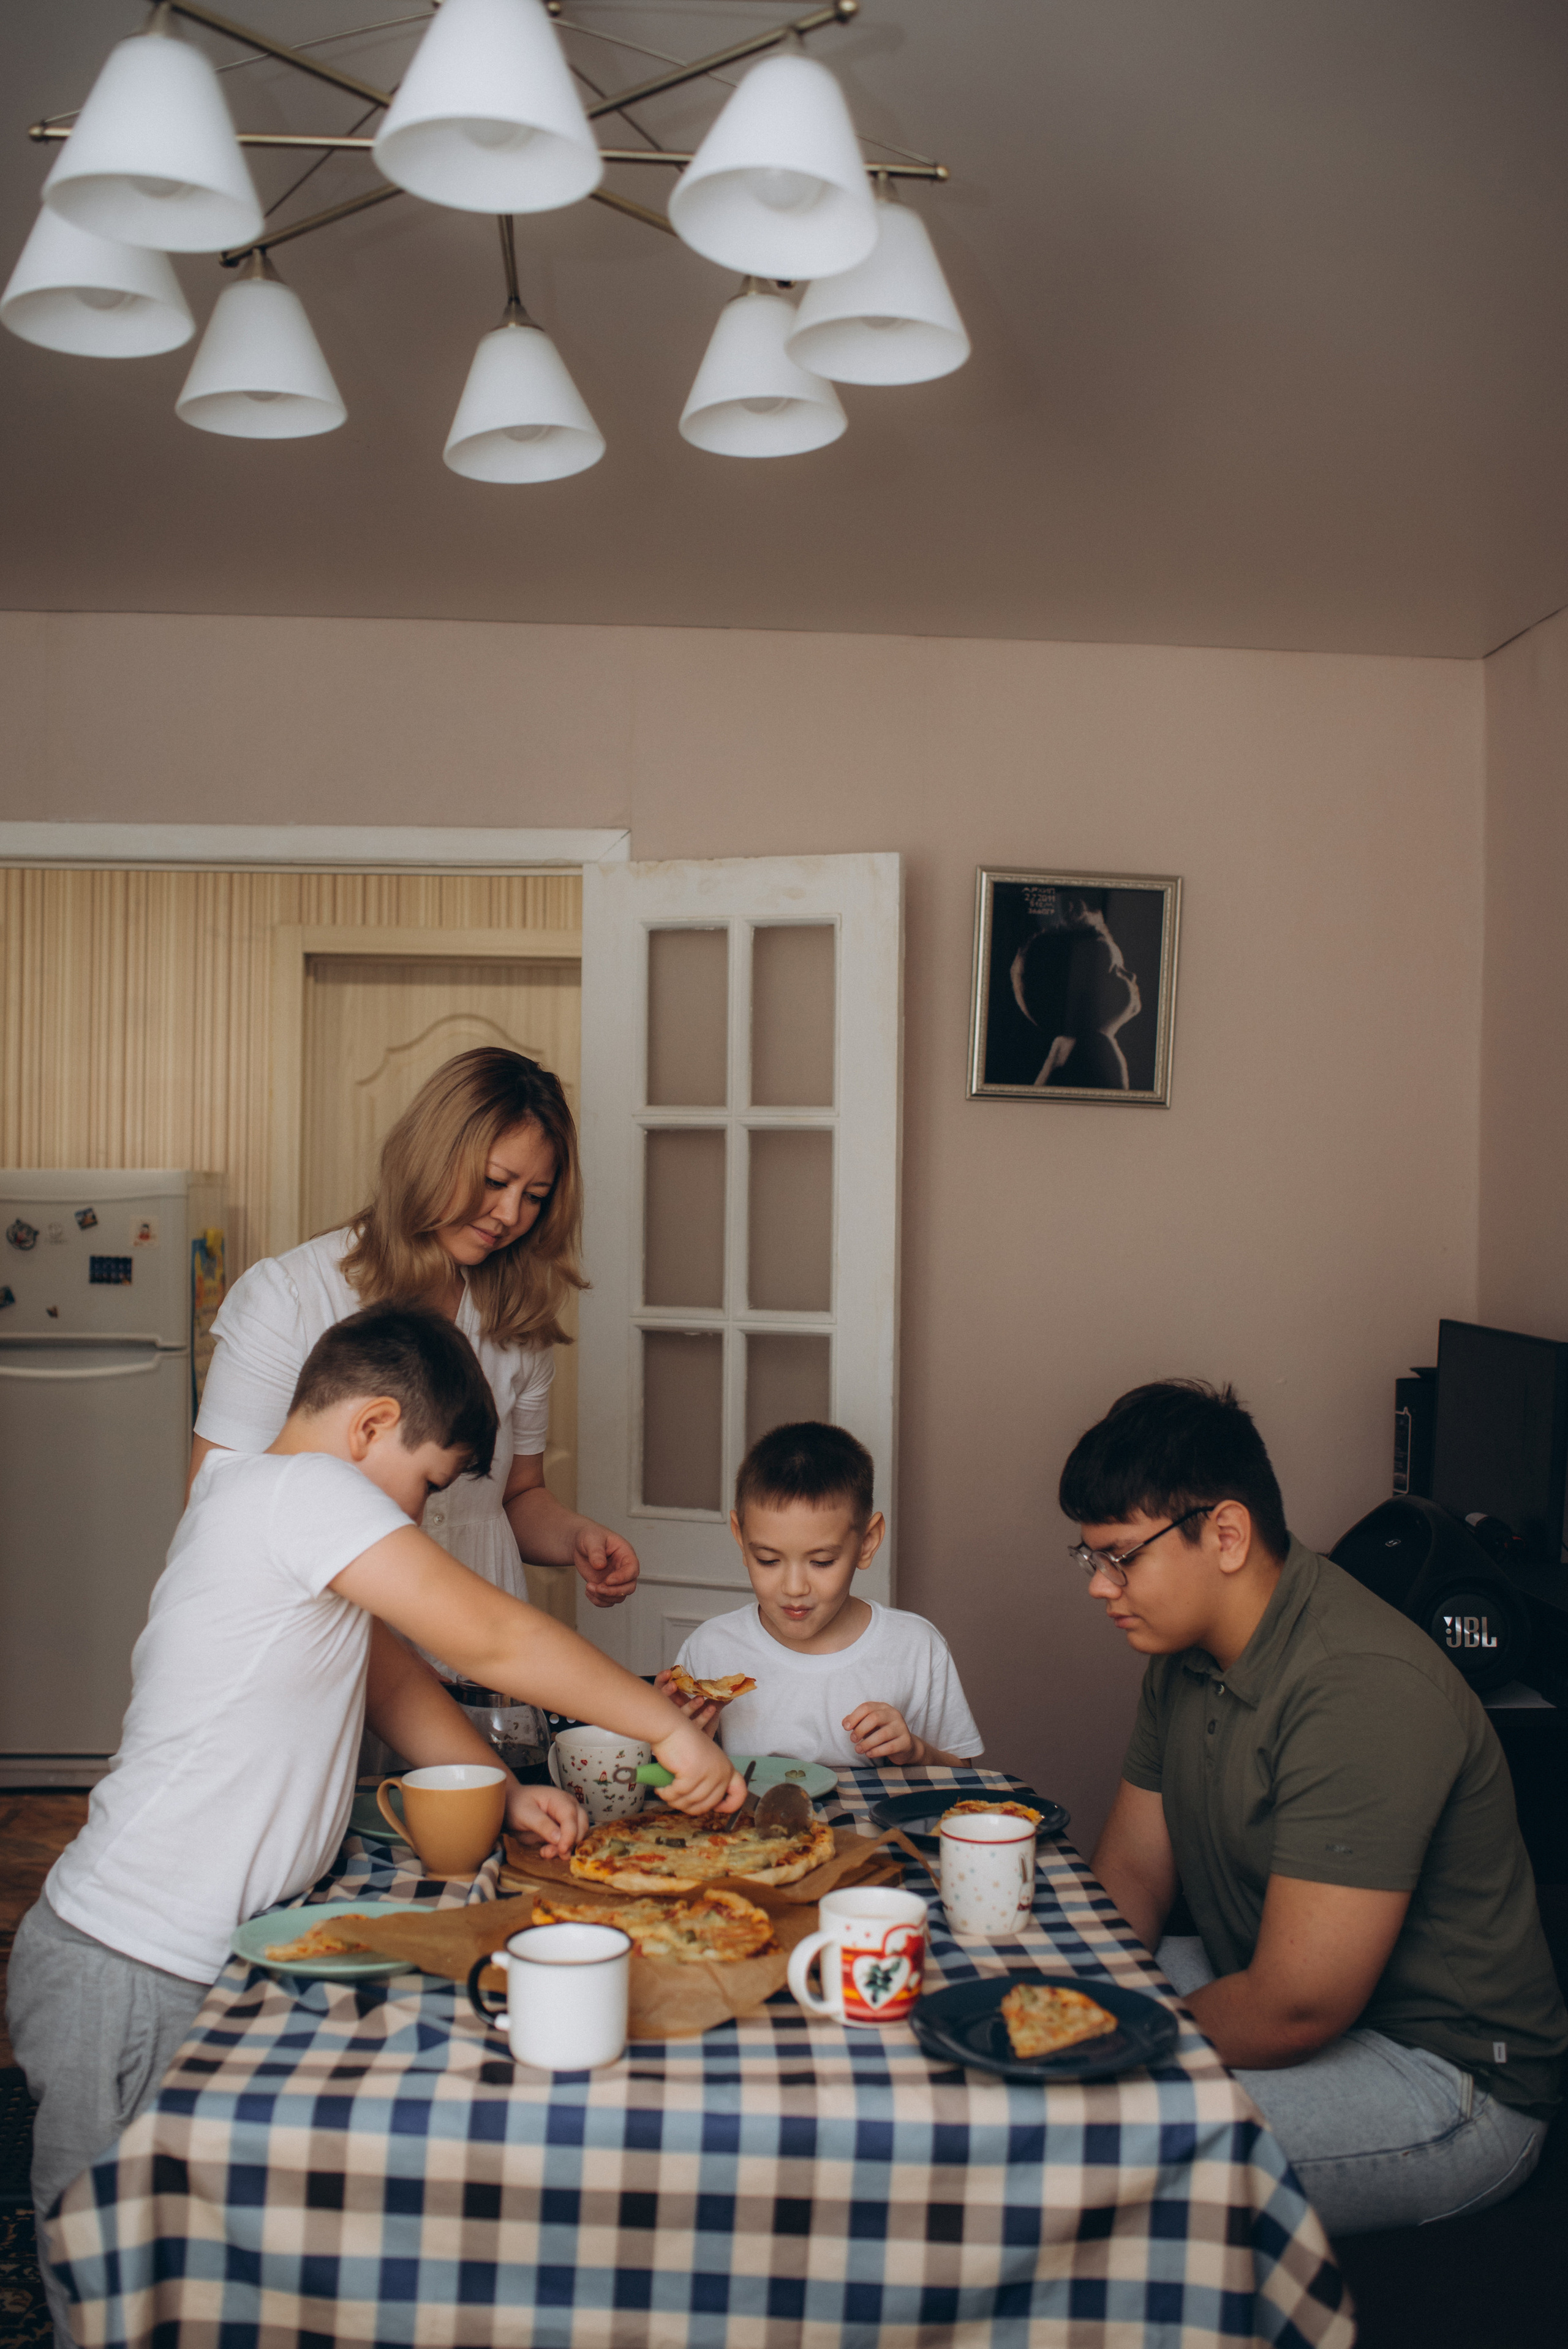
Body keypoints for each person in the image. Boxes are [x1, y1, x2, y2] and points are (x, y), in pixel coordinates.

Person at [9, 1302, 741, 2349]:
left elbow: (393, 1675)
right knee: (110, 2270)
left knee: (185, 2263)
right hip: (124, 1962)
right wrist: (670, 1727)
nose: (424, 1515)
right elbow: (488, 1632)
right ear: (368, 1426)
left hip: (179, 1956)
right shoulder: (298, 1488)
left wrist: (498, 1785)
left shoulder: (264, 1504)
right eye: (429, 1484)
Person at [1063, 1378, 1567, 2237]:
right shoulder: (1181, 1652)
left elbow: (1299, 2005)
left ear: (1225, 1533)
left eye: (1121, 1556)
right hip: (1271, 1979)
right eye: (1090, 1558)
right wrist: (1070, 2010)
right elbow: (1135, 1873)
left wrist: (1111, 2041)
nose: (1100, 1587)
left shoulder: (1358, 1685)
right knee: (1014, 2009)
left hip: (1445, 2078)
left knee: (1084, 2150)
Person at [190, 1046, 638, 1641]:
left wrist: (578, 1538)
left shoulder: (517, 1315)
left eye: (535, 1196)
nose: (510, 1214)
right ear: (431, 1157)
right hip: (337, 1626)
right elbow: (220, 1508)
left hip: (481, 1616)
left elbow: (517, 1493)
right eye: (495, 1181)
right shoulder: (291, 1296)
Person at [660, 1421, 984, 1770]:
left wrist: (916, 1753)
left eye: (822, 1562)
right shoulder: (711, 1648)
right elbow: (673, 1775)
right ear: (741, 1537)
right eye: (768, 1560)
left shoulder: (914, 1647)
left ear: (867, 1543)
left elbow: (961, 1778)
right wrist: (679, 1740)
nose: (795, 1588)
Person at [1009, 883, 1142, 1089]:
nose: (1131, 975)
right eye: (1115, 969)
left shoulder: (1063, 1046)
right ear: (1087, 998)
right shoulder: (1098, 1051)